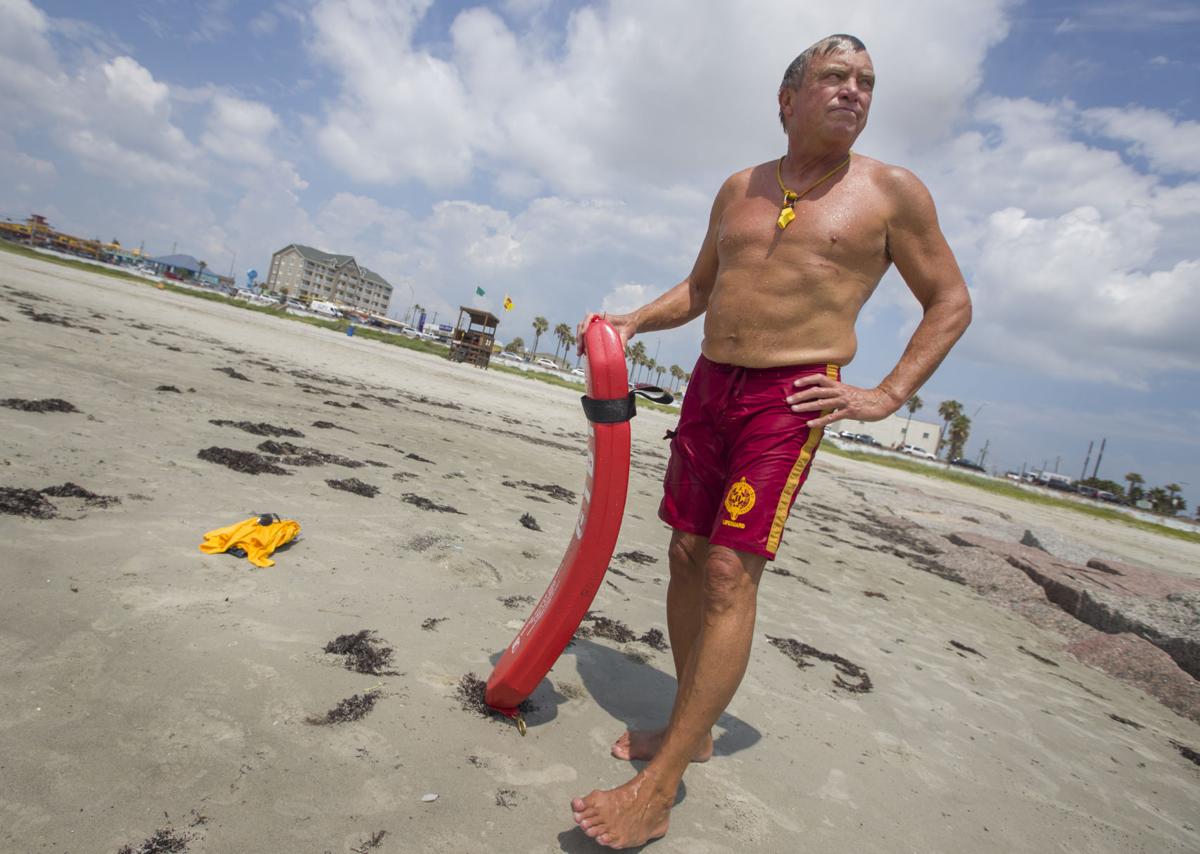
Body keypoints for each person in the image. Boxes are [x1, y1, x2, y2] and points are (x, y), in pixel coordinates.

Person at [570, 34, 972, 848]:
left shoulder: (892, 193)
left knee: (728, 570)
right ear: (787, 99)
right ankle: (694, 726)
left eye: (866, 82)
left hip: (788, 400)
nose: (854, 91)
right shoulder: (739, 188)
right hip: (712, 385)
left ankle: (664, 779)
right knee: (685, 554)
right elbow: (702, 287)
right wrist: (637, 318)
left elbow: (951, 301)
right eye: (835, 77)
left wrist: (887, 394)